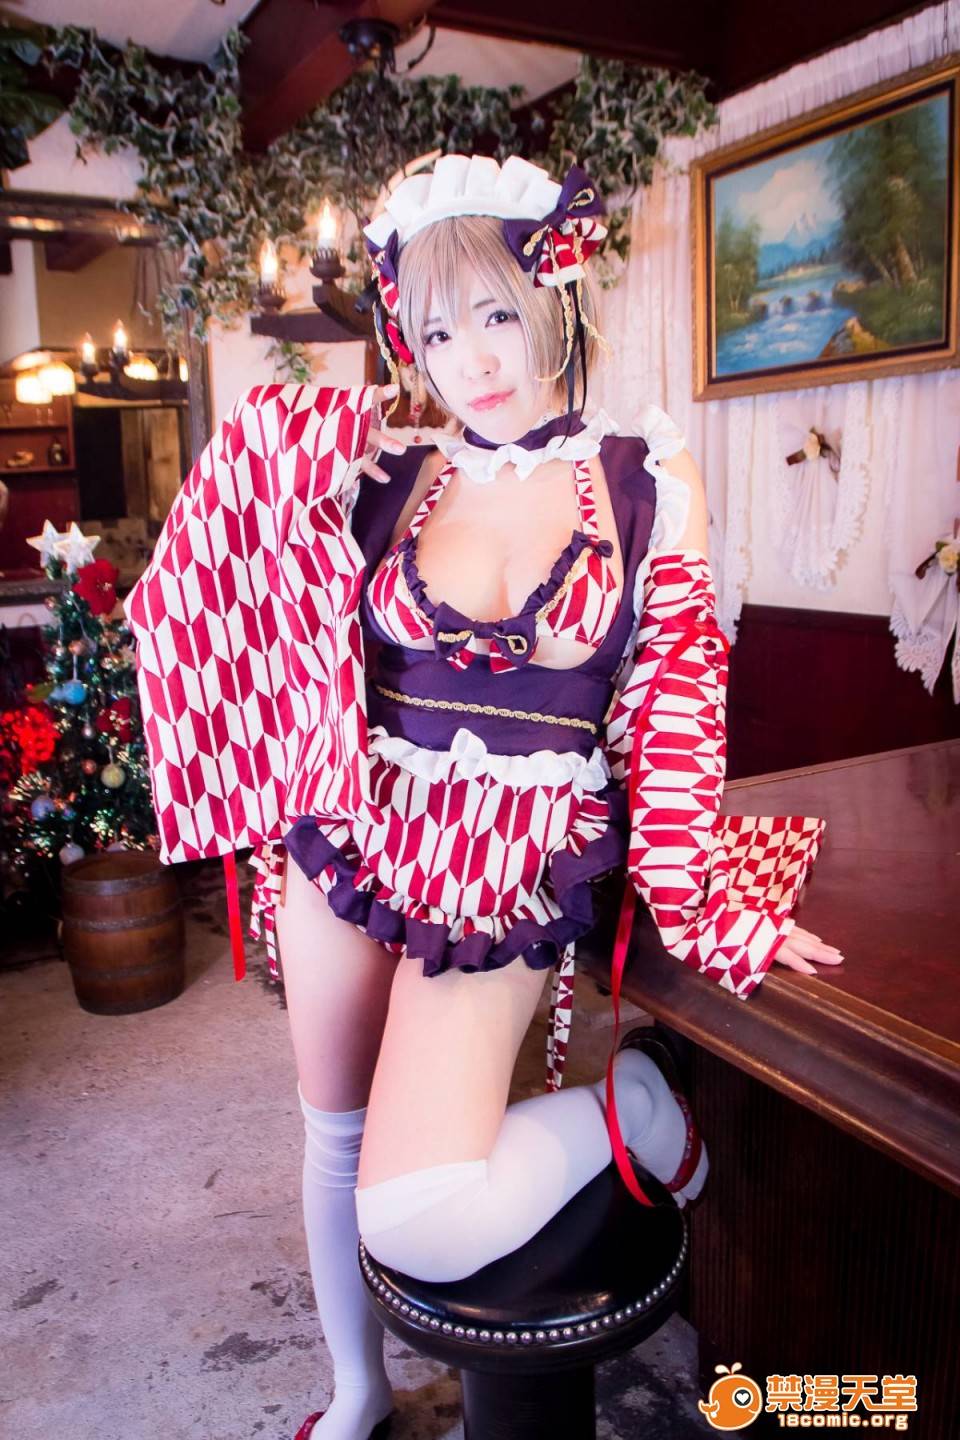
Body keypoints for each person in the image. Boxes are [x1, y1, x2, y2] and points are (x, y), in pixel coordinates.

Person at [123, 153, 841, 1440]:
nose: (470, 361)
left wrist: (701, 902)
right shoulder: (388, 473)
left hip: (509, 859)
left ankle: (632, 1105)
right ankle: (356, 1389)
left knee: (424, 1207)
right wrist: (275, 456)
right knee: (333, 1131)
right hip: (356, 823)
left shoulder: (645, 480)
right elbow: (234, 590)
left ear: (553, 294)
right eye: (437, 330)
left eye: (496, 312)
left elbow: (674, 707)